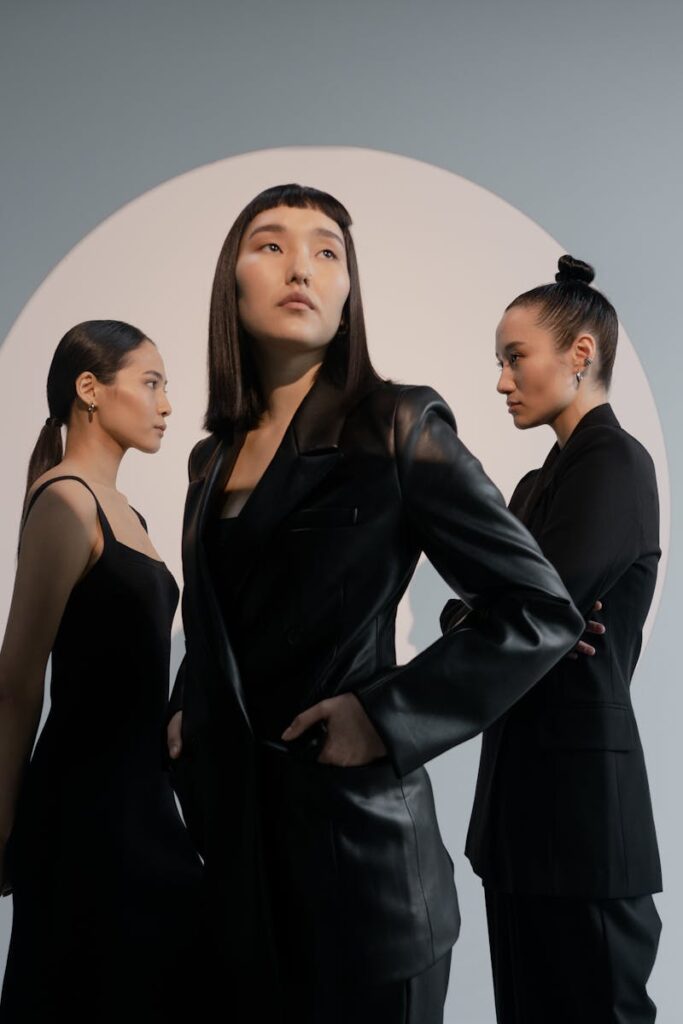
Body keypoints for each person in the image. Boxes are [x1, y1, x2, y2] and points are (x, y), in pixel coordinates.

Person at [165, 184, 584, 1024]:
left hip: (367, 882)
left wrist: (383, 716)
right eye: (271, 245)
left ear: (348, 292)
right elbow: (232, 621)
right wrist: (187, 712)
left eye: (327, 251)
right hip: (240, 880)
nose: (301, 267)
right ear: (230, 285)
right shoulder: (209, 461)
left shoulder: (397, 424)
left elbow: (538, 608)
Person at [442, 255, 662, 1023]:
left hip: (584, 819)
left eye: (514, 358)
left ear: (580, 354)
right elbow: (500, 613)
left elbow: (535, 608)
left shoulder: (616, 463)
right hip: (515, 812)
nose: (502, 381)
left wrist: (523, 615)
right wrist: (515, 617)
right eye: (499, 362)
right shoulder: (534, 486)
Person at [0, 321, 206, 1022]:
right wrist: (3, 827)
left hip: (140, 804)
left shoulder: (125, 510)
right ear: (89, 389)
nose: (166, 405)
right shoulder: (65, 500)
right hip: (86, 815)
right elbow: (16, 684)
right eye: (151, 383)